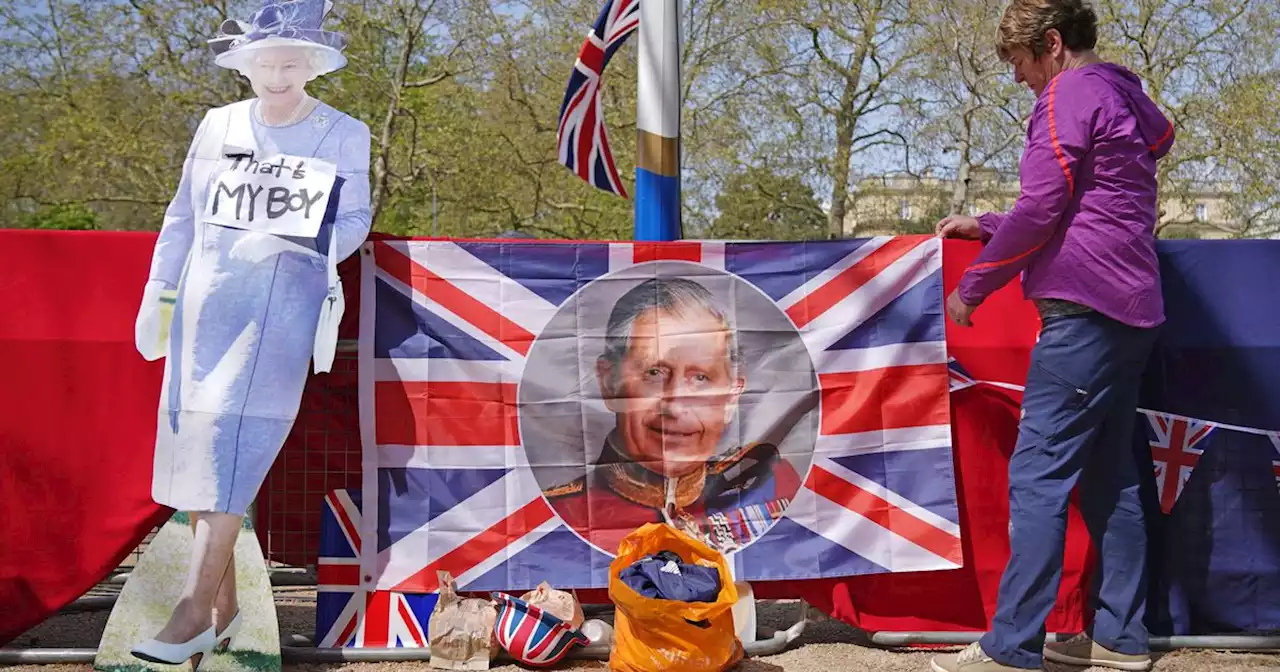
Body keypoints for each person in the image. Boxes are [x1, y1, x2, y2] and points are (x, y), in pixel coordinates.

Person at [930, 1, 1173, 671]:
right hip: (1133, 309)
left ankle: (1011, 645)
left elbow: (1043, 205)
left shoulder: (1067, 93)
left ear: (1054, 45)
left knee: (1037, 479)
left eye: (1019, 63)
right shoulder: (1123, 95)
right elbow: (1087, 199)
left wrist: (972, 286)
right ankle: (1120, 638)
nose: (1018, 80)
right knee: (1112, 478)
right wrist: (989, 221)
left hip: (1082, 312)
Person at [129, 0, 371, 667]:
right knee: (199, 446)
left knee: (235, 445)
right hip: (204, 309)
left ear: (313, 65)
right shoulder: (217, 125)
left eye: (291, 62)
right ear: (247, 64)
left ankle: (191, 612)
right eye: (266, 62)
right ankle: (226, 610)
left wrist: (296, 242)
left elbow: (354, 221)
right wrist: (160, 287)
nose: (278, 73)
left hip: (279, 313)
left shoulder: (343, 133)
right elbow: (182, 214)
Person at [544, 277, 802, 555]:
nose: (676, 406)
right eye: (654, 373)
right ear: (609, 382)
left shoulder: (772, 486)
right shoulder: (558, 517)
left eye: (701, 377)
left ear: (731, 396)